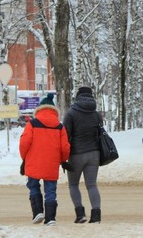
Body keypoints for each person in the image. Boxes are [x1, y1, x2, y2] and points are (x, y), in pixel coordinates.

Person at [19, 93, 71, 226]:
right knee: (50, 190)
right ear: (54, 111)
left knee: (33, 185)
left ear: (39, 110)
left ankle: (37, 212)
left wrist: (24, 157)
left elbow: (24, 143)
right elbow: (65, 147)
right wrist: (63, 160)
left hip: (34, 161)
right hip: (52, 164)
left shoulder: (33, 124)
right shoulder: (60, 127)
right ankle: (50, 218)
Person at [63, 87, 102, 224]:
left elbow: (65, 136)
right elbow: (100, 135)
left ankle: (80, 215)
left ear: (78, 96)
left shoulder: (71, 113)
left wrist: (63, 156)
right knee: (92, 185)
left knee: (73, 185)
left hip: (76, 154)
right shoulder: (96, 114)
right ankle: (96, 216)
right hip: (94, 153)